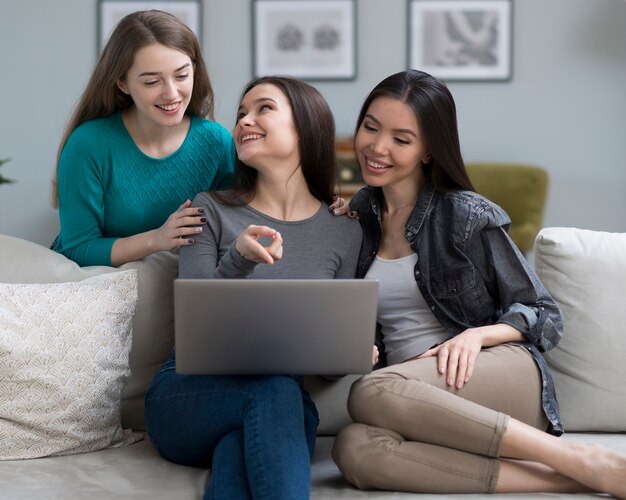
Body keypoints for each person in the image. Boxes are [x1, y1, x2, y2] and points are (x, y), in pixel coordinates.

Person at [331, 69, 626, 498]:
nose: (377, 148)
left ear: (429, 150)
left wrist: (477, 336)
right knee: (354, 449)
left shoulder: (464, 214)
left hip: (497, 371)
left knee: (369, 393)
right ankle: (582, 475)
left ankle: (577, 457)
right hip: (416, 394)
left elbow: (545, 315)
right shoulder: (360, 214)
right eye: (370, 128)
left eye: (401, 138)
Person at [144, 76, 362, 499]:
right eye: (242, 112)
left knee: (243, 444)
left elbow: (332, 370)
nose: (245, 120)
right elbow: (199, 331)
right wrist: (238, 260)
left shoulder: (345, 231)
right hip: (188, 397)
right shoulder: (209, 208)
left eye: (263, 108)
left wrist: (352, 346)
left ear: (306, 126)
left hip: (272, 408)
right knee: (281, 393)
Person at [52, 10, 235, 267]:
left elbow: (230, 232)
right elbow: (77, 249)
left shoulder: (217, 143)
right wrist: (157, 239)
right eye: (152, 82)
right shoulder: (88, 145)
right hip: (96, 286)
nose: (171, 94)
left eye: (182, 76)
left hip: (180, 285)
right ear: (123, 84)